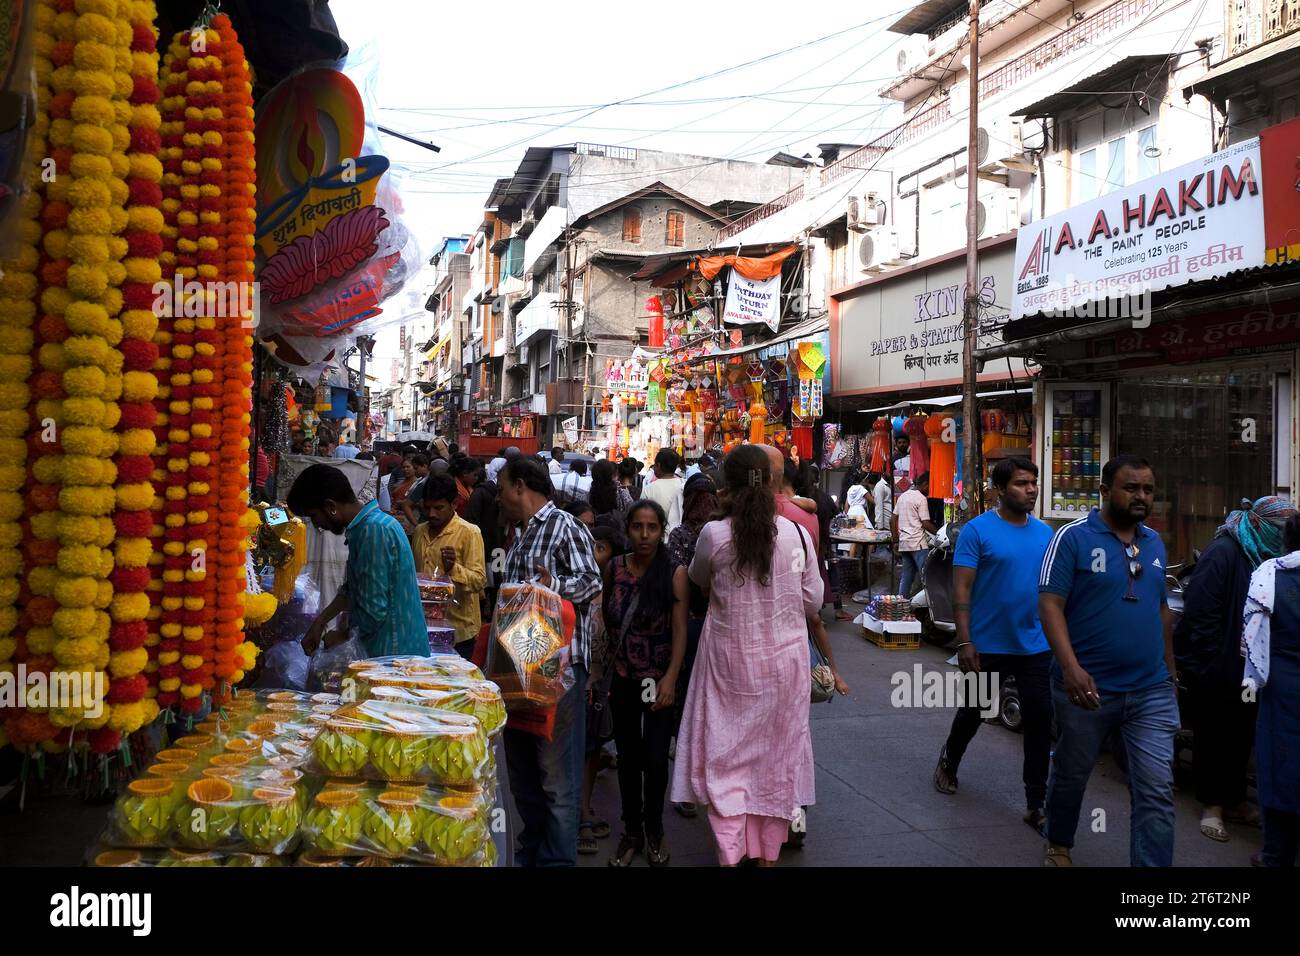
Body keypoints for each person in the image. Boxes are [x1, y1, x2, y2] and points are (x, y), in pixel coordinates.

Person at [671, 445, 827, 867]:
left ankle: (731, 853)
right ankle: (766, 855)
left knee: (726, 761)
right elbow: (813, 601)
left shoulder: (715, 534)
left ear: (728, 485)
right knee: (775, 760)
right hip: (785, 666)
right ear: (775, 483)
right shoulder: (796, 535)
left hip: (729, 664)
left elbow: (699, 579)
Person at [1038, 454, 1179, 867]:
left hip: (1150, 689)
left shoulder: (1154, 543)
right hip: (1087, 687)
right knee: (1072, 771)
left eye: (1148, 489)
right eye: (1131, 487)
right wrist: (1070, 668)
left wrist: (1170, 672)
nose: (1141, 496)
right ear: (1104, 491)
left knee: (1155, 789)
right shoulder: (1072, 538)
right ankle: (1059, 841)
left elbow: (1161, 609)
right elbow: (1049, 604)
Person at [934, 458, 1055, 833]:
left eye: (1033, 483)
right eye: (1021, 484)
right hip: (987, 645)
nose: (1031, 489)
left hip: (1035, 644)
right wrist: (966, 640)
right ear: (1000, 490)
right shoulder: (977, 531)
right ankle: (949, 762)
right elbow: (962, 588)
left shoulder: (1045, 533)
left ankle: (1036, 802)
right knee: (973, 713)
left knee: (1039, 721)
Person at [496, 456, 602, 867]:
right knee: (524, 775)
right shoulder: (520, 534)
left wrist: (552, 585)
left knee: (557, 779)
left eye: (503, 486)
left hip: (557, 672)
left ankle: (557, 860)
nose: (499, 495)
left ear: (521, 486)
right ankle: (532, 851)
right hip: (521, 669)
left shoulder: (563, 525)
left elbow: (591, 581)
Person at [1176, 495, 1296, 842]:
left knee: (1243, 732)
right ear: (1260, 525)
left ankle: (1236, 800)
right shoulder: (1225, 552)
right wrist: (1213, 663)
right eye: (1279, 530)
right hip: (1216, 666)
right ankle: (1212, 807)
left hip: (1248, 668)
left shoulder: (1266, 557)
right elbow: (1201, 612)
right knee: (1216, 734)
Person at [604, 500, 688, 867]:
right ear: (628, 529)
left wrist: (671, 677)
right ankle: (632, 831)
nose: (644, 535)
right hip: (622, 678)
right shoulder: (615, 568)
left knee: (655, 760)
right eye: (637, 527)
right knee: (628, 758)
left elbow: (681, 630)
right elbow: (604, 620)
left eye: (652, 527)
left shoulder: (673, 572)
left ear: (661, 530)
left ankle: (654, 831)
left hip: (658, 680)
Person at [289, 464, 427, 658]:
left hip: (393, 657)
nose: (316, 524)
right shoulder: (368, 526)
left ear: (331, 507)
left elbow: (373, 611)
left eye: (314, 516)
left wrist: (341, 637)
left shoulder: (373, 531)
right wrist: (320, 623)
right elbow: (353, 588)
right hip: (389, 653)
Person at [1243, 514, 1300, 867]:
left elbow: (1252, 639)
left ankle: (1276, 854)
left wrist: (1252, 681)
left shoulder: (1271, 575)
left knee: (1279, 766)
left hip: (1282, 686)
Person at [411, 474, 487, 656]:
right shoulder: (420, 531)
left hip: (458, 631)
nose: (431, 514)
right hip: (424, 627)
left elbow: (479, 581)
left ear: (454, 504)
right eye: (427, 507)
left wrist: (454, 568)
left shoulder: (469, 532)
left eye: (438, 508)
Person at [579, 524, 621, 855]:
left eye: (599, 547)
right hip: (575, 679)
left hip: (601, 683)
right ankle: (577, 813)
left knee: (592, 747)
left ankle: (583, 808)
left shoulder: (617, 591)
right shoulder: (578, 586)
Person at [893, 472, 936, 598]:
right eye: (930, 486)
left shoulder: (903, 496)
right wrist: (939, 533)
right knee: (927, 577)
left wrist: (896, 541)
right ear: (925, 484)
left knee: (906, 578)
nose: (930, 490)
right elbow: (926, 524)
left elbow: (893, 519)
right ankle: (931, 607)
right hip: (918, 544)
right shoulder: (921, 498)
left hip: (905, 543)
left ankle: (901, 606)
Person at [641, 448, 683, 533]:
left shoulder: (649, 489)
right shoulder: (685, 484)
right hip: (681, 538)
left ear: (658, 465)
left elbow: (642, 516)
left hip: (657, 536)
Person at [590, 459, 634, 527]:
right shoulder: (621, 492)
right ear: (612, 474)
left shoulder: (590, 492)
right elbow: (631, 509)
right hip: (617, 529)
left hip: (595, 529)